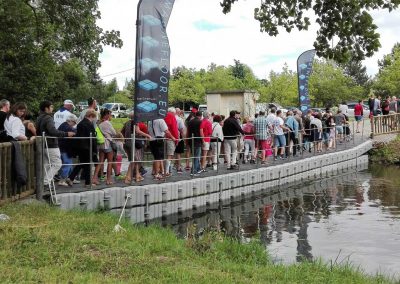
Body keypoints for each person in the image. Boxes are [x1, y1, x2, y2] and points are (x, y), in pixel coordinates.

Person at [36, 100, 75, 187]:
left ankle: (42, 182)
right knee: (57, 163)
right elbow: (52, 131)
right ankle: (46, 182)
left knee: (46, 164)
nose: (52, 108)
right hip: (51, 144)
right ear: (46, 108)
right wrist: (66, 134)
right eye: (51, 107)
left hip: (43, 144)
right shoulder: (48, 118)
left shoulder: (39, 118)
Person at [66, 109, 97, 188]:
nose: (94, 119)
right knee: (87, 165)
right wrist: (95, 149)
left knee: (82, 163)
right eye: (94, 117)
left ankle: (71, 178)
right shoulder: (89, 124)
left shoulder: (80, 123)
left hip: (80, 147)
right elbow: (92, 138)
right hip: (87, 147)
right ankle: (87, 183)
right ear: (91, 116)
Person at [92, 109, 116, 185]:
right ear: (106, 115)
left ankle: (94, 178)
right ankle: (108, 180)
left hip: (101, 145)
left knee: (100, 162)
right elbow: (114, 133)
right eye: (110, 114)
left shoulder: (98, 122)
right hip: (107, 144)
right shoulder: (107, 123)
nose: (111, 116)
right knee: (110, 162)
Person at [57, 114, 78, 186]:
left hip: (62, 147)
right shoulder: (68, 127)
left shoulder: (63, 125)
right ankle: (62, 180)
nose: (74, 125)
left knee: (69, 163)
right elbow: (74, 132)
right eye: (75, 123)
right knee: (67, 163)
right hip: (65, 148)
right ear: (71, 121)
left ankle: (70, 178)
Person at [187, 111, 203, 176]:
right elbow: (201, 131)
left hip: (191, 140)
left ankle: (198, 168)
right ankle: (194, 171)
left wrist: (187, 141)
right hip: (198, 140)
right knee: (196, 156)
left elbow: (188, 131)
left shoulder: (190, 121)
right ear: (201, 116)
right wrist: (203, 140)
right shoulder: (200, 122)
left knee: (194, 156)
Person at [164, 107, 179, 176]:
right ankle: (167, 171)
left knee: (164, 155)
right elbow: (174, 129)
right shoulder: (172, 117)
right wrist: (176, 139)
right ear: (173, 112)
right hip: (170, 138)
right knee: (170, 155)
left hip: (163, 138)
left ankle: (164, 170)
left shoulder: (163, 116)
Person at [174, 108, 185, 173]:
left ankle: (174, 165)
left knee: (171, 153)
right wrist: (183, 138)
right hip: (178, 136)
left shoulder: (169, 118)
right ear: (178, 112)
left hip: (170, 136)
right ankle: (178, 167)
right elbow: (182, 130)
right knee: (178, 152)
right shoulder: (179, 119)